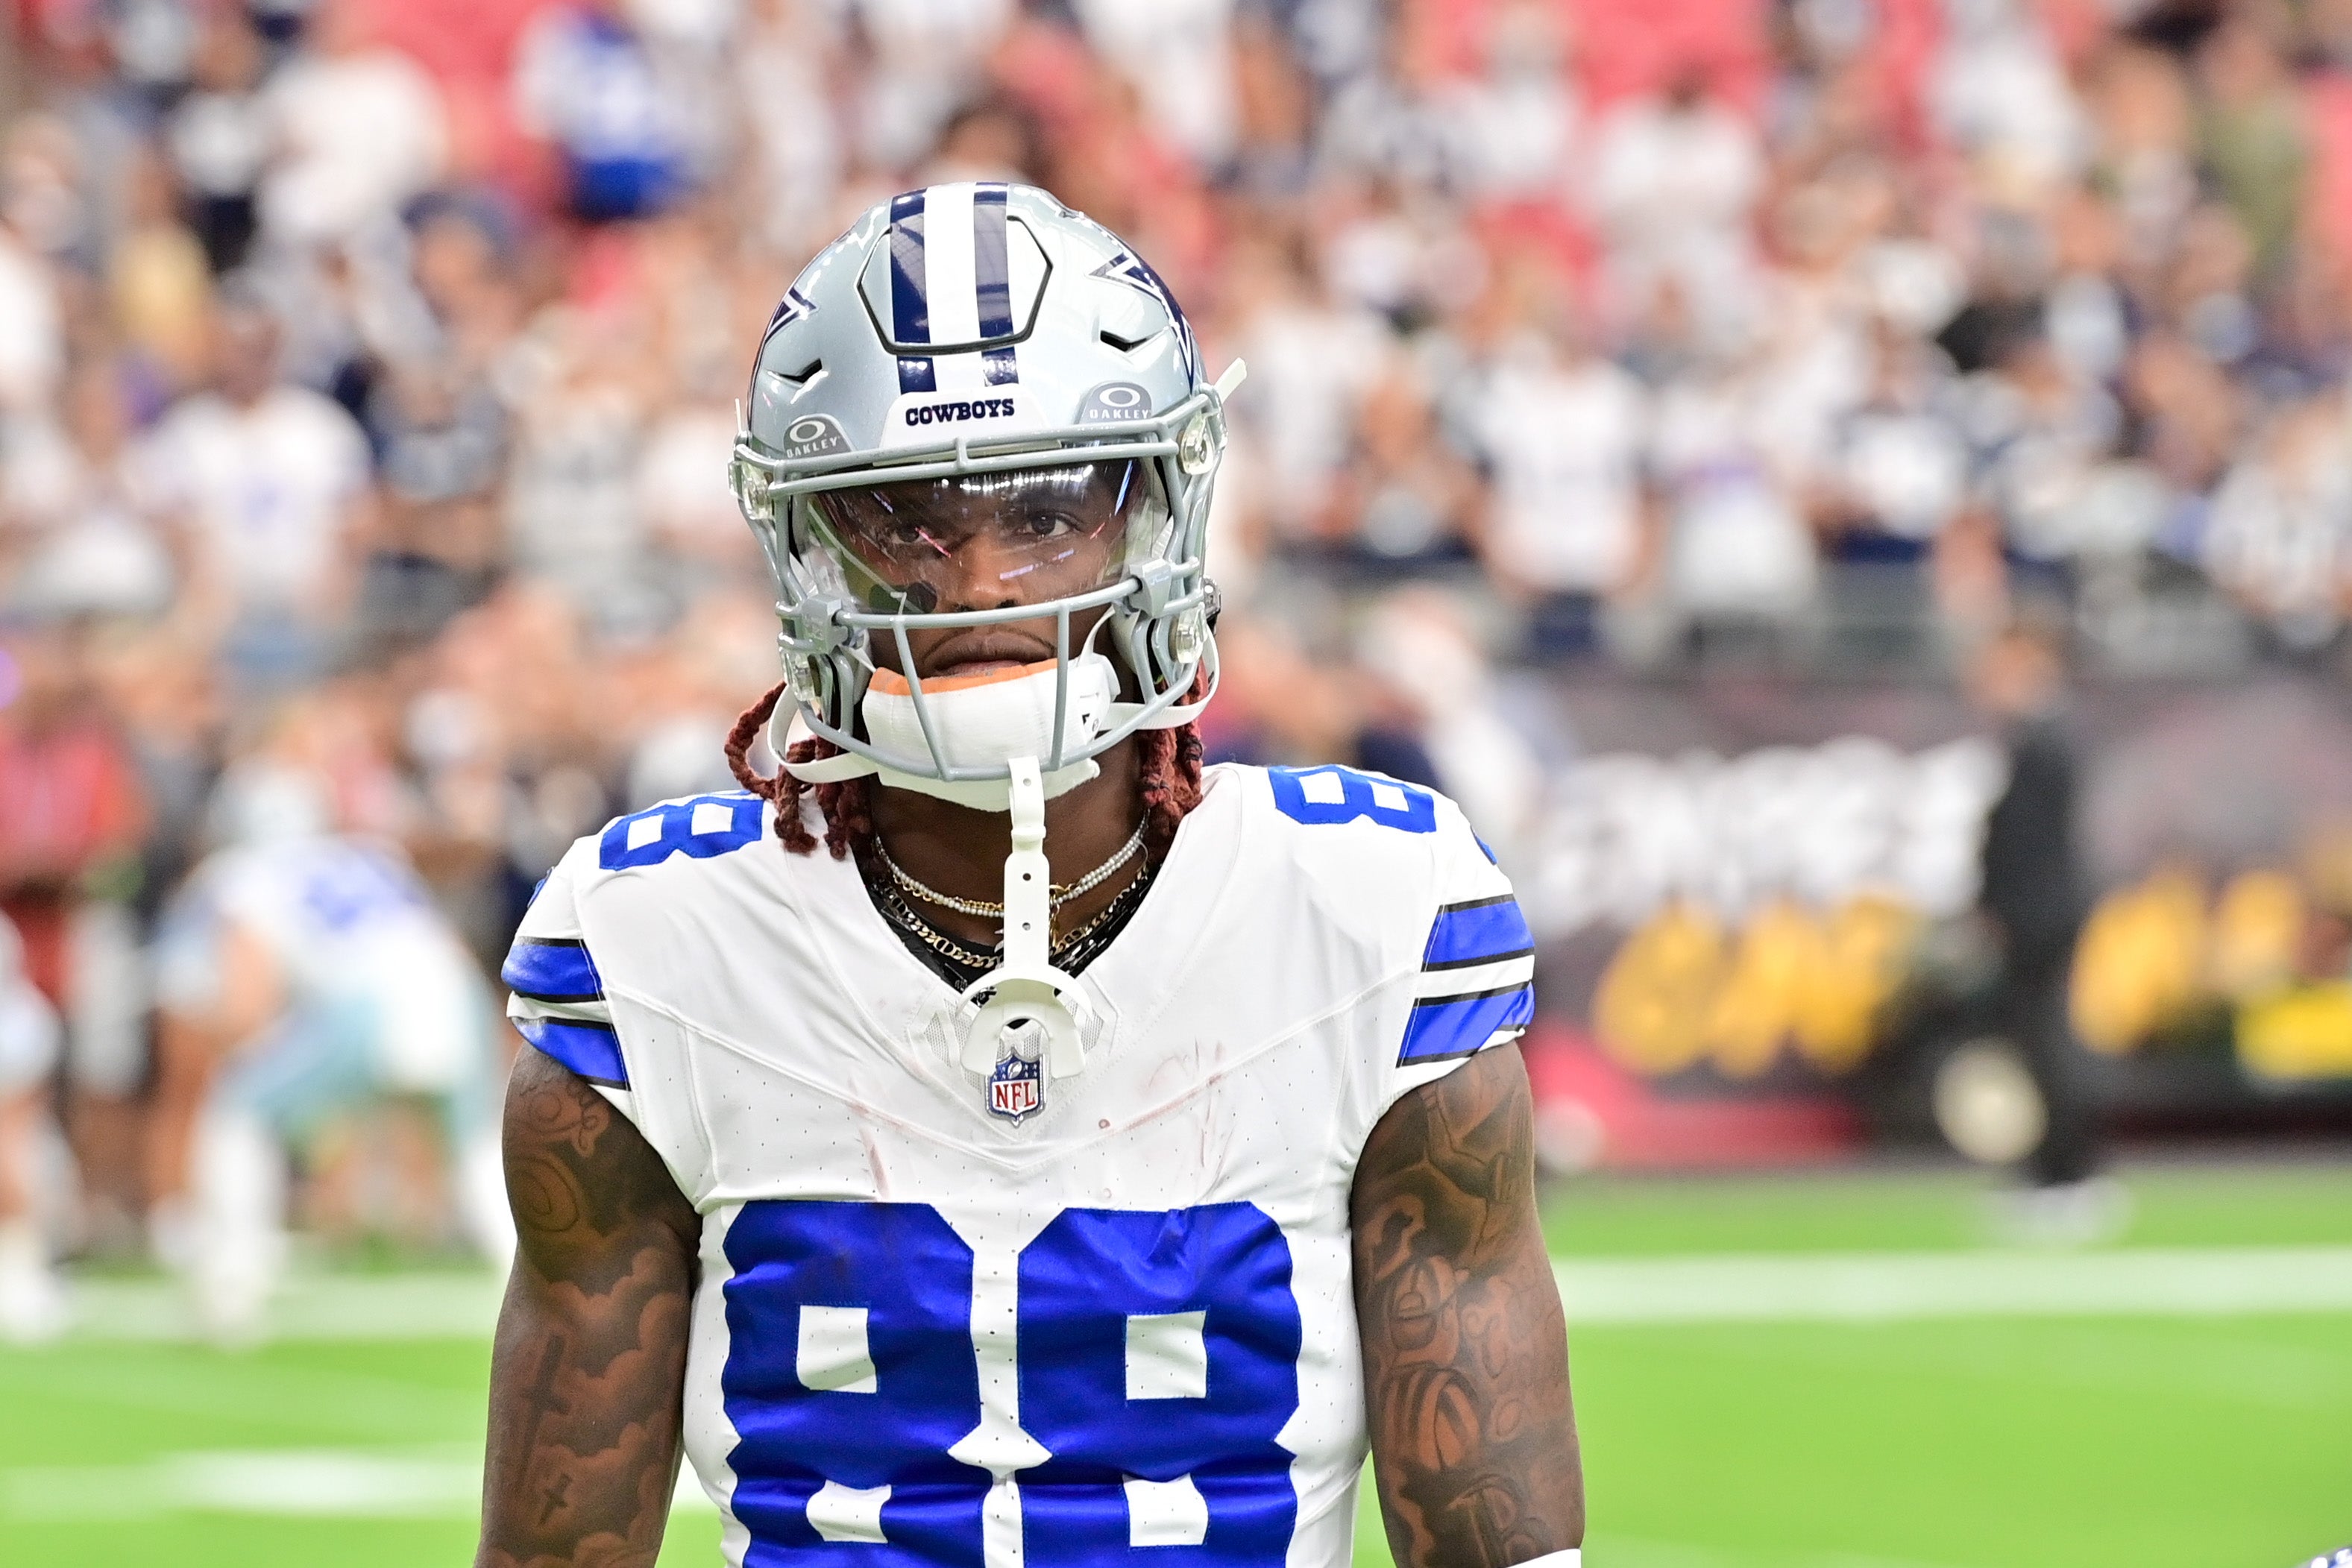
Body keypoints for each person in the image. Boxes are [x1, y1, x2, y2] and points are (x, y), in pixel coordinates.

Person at [478, 184, 1583, 1568]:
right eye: (902, 523)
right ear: (806, 552)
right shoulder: (653, 947)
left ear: (1156, 515)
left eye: (1050, 510)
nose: (982, 585)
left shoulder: (1365, 913)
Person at [149, 726, 510, 1341]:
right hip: (452, 990)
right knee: (476, 1143)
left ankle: (233, 1287)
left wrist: (252, 1049)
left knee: (238, 1113)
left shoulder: (242, 875)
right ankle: (528, 1277)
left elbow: (246, 995)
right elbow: (441, 945)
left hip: (362, 1006)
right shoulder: (371, 855)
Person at [1970, 611, 2121, 1243]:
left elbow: (2032, 847)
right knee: (2034, 1045)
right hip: (2036, 913)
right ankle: (2050, 1171)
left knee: (2047, 1044)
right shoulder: (2037, 735)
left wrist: (2008, 911)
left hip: (2040, 917)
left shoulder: (2048, 736)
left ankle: (2067, 1175)